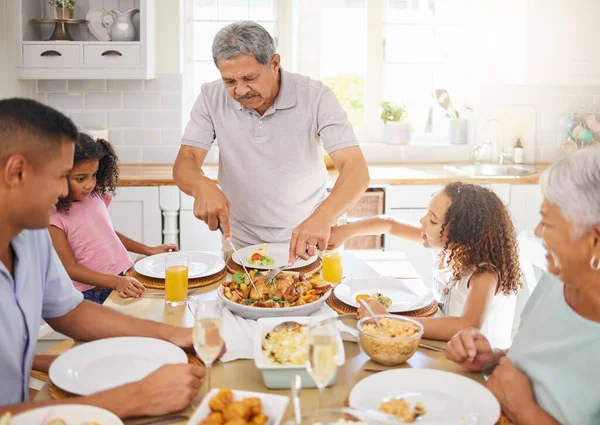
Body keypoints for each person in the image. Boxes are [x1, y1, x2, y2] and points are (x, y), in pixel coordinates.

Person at [0, 98, 205, 418]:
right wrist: (136, 398)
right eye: (60, 176)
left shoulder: (31, 235)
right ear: (16, 172)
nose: (64, 192)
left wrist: (174, 335)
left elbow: (70, 311)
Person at [173, 21, 370, 263]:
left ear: (274, 63)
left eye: (249, 78)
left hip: (310, 234)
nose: (240, 90)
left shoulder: (316, 97)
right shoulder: (210, 97)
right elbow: (186, 161)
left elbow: (356, 170)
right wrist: (200, 185)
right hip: (241, 238)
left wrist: (324, 217)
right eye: (229, 81)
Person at [445, 148, 600, 425]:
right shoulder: (558, 279)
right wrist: (489, 358)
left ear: (595, 241)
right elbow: (533, 364)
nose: (538, 233)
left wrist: (526, 412)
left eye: (548, 223)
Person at [329, 182, 521, 346]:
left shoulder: (484, 274)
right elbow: (390, 225)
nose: (422, 221)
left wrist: (390, 320)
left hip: (480, 370)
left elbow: (467, 325)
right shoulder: (447, 249)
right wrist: (346, 231)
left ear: (459, 235)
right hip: (443, 345)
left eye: (432, 220)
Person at [49, 133, 177, 304]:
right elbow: (71, 269)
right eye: (81, 178)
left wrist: (149, 250)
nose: (90, 184)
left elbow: (105, 232)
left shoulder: (94, 197)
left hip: (121, 280)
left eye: (94, 175)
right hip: (91, 295)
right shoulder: (52, 218)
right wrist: (116, 282)